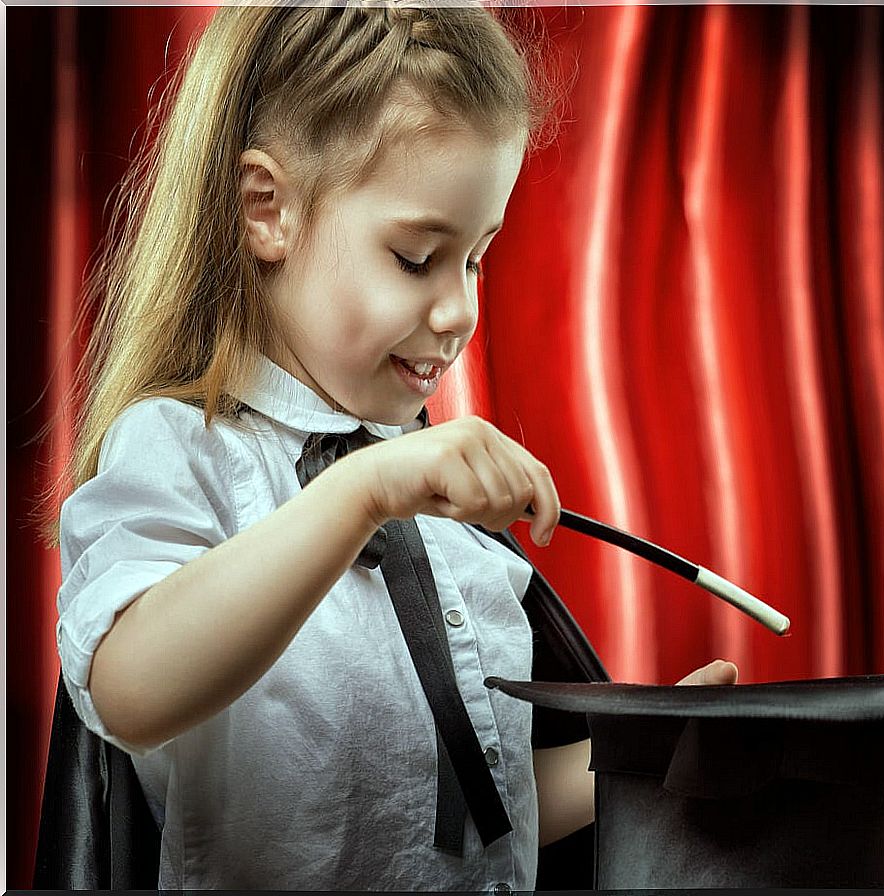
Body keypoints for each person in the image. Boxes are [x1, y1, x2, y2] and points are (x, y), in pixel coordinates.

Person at [46, 2, 737, 890]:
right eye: (417, 257)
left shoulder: (444, 522)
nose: (459, 314)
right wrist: (361, 491)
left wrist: (650, 755)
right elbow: (128, 690)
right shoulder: (182, 452)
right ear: (268, 211)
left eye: (477, 258)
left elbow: (477, 805)